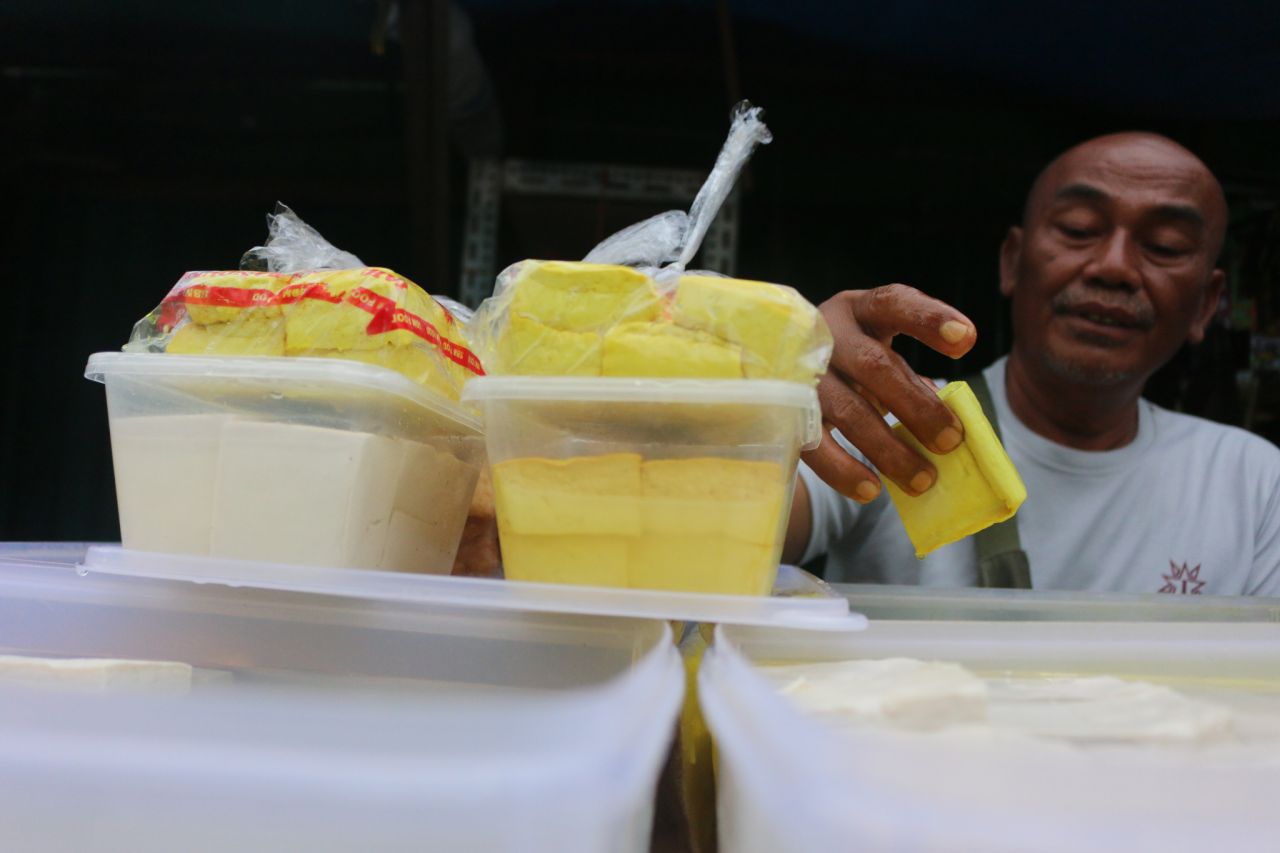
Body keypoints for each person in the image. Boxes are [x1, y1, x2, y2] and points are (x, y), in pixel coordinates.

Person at [785, 132, 1280, 596]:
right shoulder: (886, 417)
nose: (1114, 266)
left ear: (1205, 305)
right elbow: (717, 533)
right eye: (1079, 229)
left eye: (1165, 246)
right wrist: (772, 399)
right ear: (1012, 261)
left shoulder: (1255, 482)